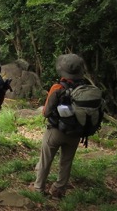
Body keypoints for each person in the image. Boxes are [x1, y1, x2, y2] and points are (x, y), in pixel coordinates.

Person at [32, 54, 88, 198]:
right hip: (76, 132)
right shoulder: (85, 89)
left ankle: (38, 188)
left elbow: (46, 112)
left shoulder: (57, 87)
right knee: (66, 162)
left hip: (56, 131)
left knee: (46, 159)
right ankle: (59, 190)